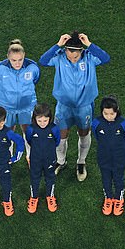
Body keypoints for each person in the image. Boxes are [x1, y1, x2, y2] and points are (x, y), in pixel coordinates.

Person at [39, 30, 110, 181]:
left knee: (84, 133)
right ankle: (60, 161)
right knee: (61, 135)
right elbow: (43, 61)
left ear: (81, 51)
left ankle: (81, 162)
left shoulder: (90, 57)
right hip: (64, 106)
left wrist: (90, 44)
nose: (72, 59)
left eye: (75, 56)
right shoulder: (59, 57)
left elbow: (106, 58)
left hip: (84, 106)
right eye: (69, 56)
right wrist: (57, 44)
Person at [0, 39, 40, 160]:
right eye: (14, 60)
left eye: (20, 60)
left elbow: (35, 80)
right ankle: (7, 156)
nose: (17, 63)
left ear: (24, 56)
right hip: (6, 107)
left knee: (27, 130)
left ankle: (30, 156)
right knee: (8, 131)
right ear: (8, 57)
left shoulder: (32, 67)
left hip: (27, 106)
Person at [91, 95, 125, 216]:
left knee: (118, 178)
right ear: (101, 111)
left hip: (119, 157)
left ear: (117, 111)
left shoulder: (123, 123)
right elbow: (96, 136)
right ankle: (108, 198)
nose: (108, 117)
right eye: (105, 113)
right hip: (103, 157)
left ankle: (118, 199)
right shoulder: (97, 123)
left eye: (111, 114)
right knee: (106, 178)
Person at [25, 103, 60, 213]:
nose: (42, 123)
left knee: (50, 177)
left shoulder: (54, 129)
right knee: (35, 178)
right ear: (34, 119)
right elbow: (29, 140)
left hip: (50, 158)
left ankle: (50, 196)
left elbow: (57, 141)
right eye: (39, 121)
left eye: (45, 120)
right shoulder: (31, 129)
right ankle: (34, 197)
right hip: (35, 159)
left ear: (50, 118)